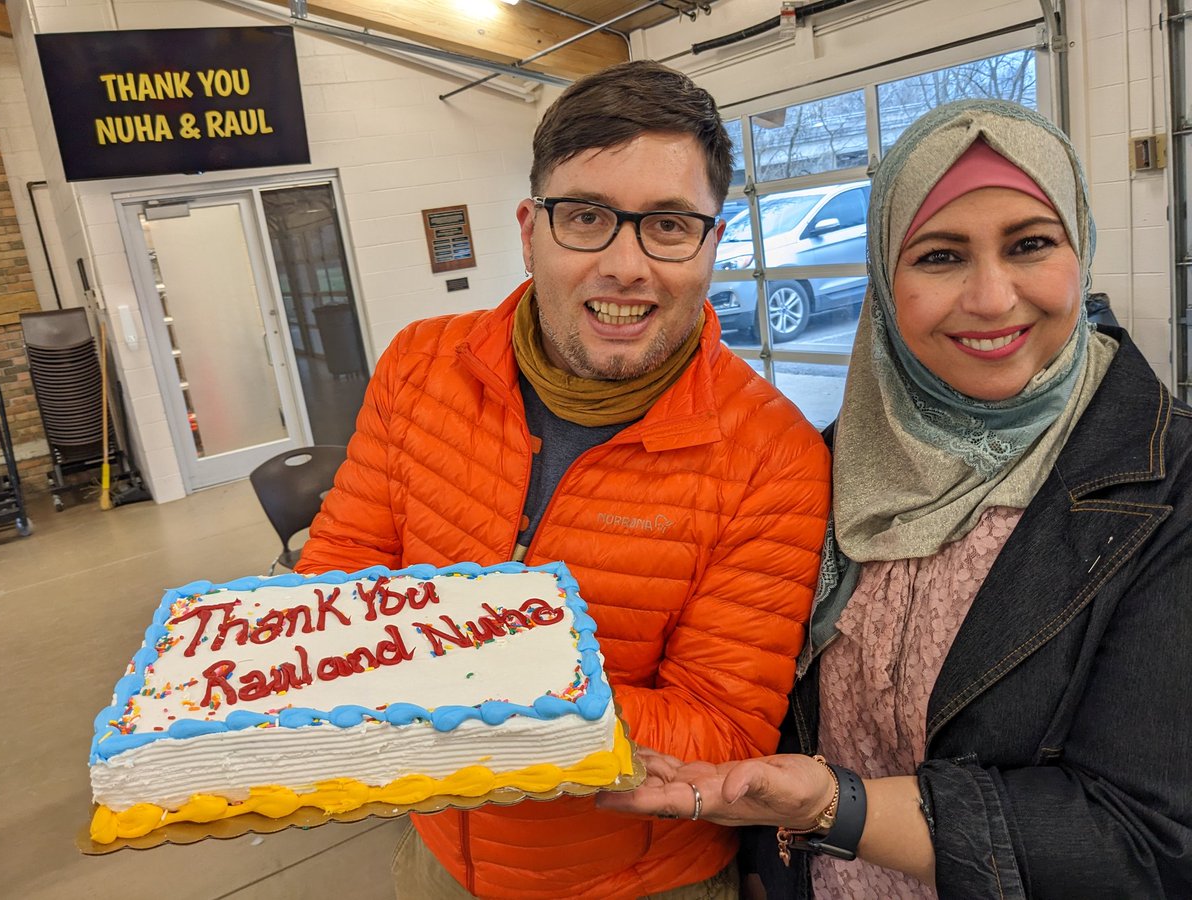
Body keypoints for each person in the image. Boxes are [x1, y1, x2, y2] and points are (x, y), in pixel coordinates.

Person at [598, 98, 1192, 898]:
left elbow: (1142, 840)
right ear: (883, 277)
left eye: (1031, 245)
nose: (990, 298)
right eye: (941, 256)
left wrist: (834, 807)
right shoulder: (833, 464)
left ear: (1080, 249)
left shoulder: (1167, 487)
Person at [296, 59, 831, 899]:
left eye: (667, 225)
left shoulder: (773, 457)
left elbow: (719, 729)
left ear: (711, 244)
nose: (626, 265)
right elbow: (331, 584)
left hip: (639, 877)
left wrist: (463, 684)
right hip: (437, 851)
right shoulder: (417, 368)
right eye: (586, 216)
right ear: (529, 228)